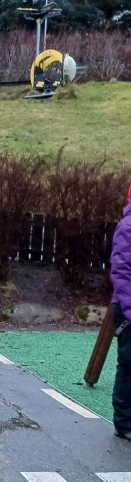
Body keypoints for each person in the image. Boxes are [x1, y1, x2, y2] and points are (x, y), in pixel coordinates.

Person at [110, 183, 131, 440]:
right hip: (127, 309)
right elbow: (122, 272)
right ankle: (124, 422)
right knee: (129, 365)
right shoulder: (127, 228)